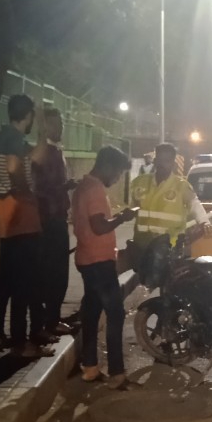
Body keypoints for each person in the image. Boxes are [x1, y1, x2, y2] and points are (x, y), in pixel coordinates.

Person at [0, 94, 52, 358]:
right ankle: (20, 343)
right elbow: (15, 168)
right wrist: (26, 193)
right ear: (27, 116)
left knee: (5, 279)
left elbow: (36, 158)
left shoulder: (3, 137)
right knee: (23, 283)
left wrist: (42, 134)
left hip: (7, 218)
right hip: (21, 218)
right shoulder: (13, 140)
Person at [72, 145, 138, 389]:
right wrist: (123, 217)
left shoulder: (83, 186)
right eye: (118, 173)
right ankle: (117, 373)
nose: (118, 178)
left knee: (91, 312)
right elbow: (99, 226)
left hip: (87, 259)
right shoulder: (95, 189)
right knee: (116, 314)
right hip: (99, 262)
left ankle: (90, 367)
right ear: (108, 166)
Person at [33, 107, 75, 338]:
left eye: (61, 124)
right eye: (55, 124)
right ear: (44, 127)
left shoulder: (52, 151)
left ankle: (49, 321)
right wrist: (66, 187)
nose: (60, 128)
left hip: (53, 217)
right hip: (50, 220)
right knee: (53, 274)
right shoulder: (47, 153)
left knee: (54, 274)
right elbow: (43, 189)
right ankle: (47, 323)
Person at [130, 142, 211, 251]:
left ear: (173, 164)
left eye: (166, 161)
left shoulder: (181, 186)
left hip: (170, 248)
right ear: (155, 161)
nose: (162, 164)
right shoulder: (139, 182)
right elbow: (129, 207)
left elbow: (195, 205)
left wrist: (204, 222)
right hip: (141, 246)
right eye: (159, 160)